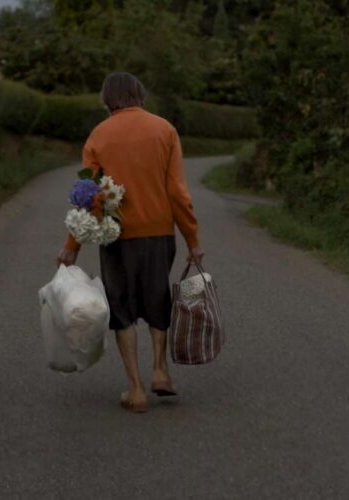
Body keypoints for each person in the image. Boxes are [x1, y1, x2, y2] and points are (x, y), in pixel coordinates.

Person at [57, 72, 204, 413]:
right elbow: (177, 193)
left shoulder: (98, 135)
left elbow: (89, 198)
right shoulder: (164, 129)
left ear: (107, 99)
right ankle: (160, 371)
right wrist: (192, 238)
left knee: (121, 306)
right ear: (140, 94)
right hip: (158, 231)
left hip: (116, 234)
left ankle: (135, 390)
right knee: (157, 296)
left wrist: (72, 245)